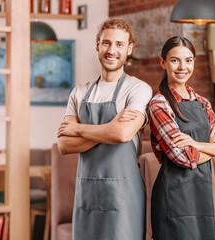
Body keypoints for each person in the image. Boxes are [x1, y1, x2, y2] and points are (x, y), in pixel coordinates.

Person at [57, 18, 152, 240]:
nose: (112, 50)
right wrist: (108, 127)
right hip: (87, 195)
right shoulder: (79, 92)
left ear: (129, 49)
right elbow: (64, 145)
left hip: (123, 197)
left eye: (120, 44)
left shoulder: (138, 89)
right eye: (107, 43)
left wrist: (79, 129)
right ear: (97, 44)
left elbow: (123, 134)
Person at [149, 36, 215, 240]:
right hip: (173, 196)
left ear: (194, 62)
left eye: (188, 60)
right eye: (174, 60)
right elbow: (183, 158)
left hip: (201, 194)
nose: (182, 67)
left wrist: (197, 144)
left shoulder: (203, 103)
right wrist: (213, 147)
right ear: (163, 62)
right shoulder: (159, 104)